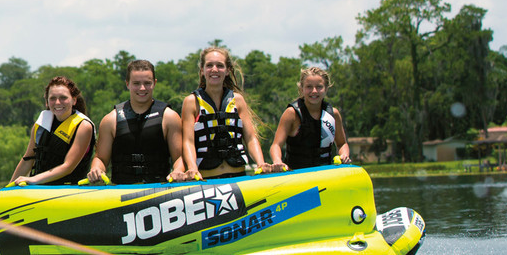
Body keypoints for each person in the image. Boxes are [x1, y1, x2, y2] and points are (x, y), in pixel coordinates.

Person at [88, 59, 187, 184]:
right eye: (136, 83)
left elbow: (179, 157)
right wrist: (96, 169)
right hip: (121, 192)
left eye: (147, 83)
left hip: (159, 192)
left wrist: (178, 170)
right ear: (127, 83)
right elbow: (101, 158)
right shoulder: (110, 120)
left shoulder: (170, 117)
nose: (142, 88)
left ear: (154, 83)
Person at [180, 46, 270, 179]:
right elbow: (188, 142)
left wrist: (261, 163)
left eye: (220, 66)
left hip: (238, 177)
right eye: (209, 65)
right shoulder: (191, 102)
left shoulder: (238, 100)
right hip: (207, 179)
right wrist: (192, 168)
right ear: (202, 71)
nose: (214, 69)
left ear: (227, 70)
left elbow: (250, 138)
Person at [10, 75, 95, 185]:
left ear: (74, 100)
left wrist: (33, 179)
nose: (58, 103)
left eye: (63, 98)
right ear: (46, 102)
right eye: (53, 98)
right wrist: (7, 188)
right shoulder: (40, 125)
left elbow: (68, 166)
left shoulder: (83, 126)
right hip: (40, 188)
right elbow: (28, 160)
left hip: (71, 190)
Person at [270, 66, 350, 170]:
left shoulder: (333, 114)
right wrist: (277, 161)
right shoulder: (291, 114)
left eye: (319, 87)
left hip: (325, 174)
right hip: (295, 175)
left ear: (326, 89)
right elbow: (276, 145)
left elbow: (342, 143)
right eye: (309, 87)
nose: (314, 91)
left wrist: (344, 155)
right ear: (301, 89)